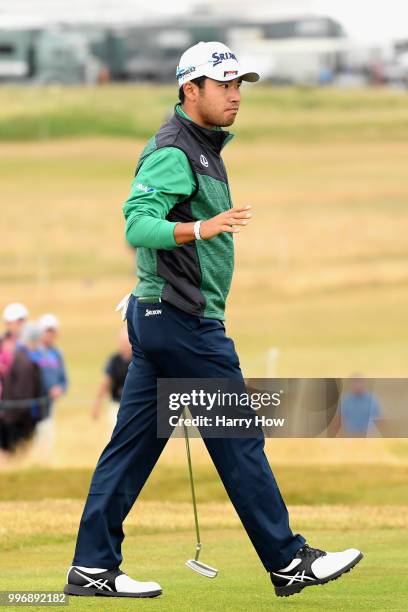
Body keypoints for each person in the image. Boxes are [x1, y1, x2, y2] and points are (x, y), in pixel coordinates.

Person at [64, 41, 363, 599]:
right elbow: (137, 224)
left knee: (131, 447)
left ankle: (91, 566)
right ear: (189, 89)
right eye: (223, 85)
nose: (234, 95)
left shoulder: (203, 147)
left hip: (163, 319)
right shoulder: (174, 150)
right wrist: (203, 228)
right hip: (182, 322)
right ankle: (289, 560)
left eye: (239, 85)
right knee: (239, 437)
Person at [33, 314, 68, 456]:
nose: (50, 335)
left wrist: (60, 389)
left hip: (49, 406)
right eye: (47, 331)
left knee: (47, 441)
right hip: (34, 405)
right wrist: (48, 389)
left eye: (53, 331)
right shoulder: (34, 352)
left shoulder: (57, 353)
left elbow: (64, 380)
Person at [91, 329, 131, 431]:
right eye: (122, 343)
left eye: (127, 343)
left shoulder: (139, 360)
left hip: (134, 404)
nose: (124, 346)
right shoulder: (114, 360)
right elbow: (105, 382)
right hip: (116, 404)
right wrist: (97, 404)